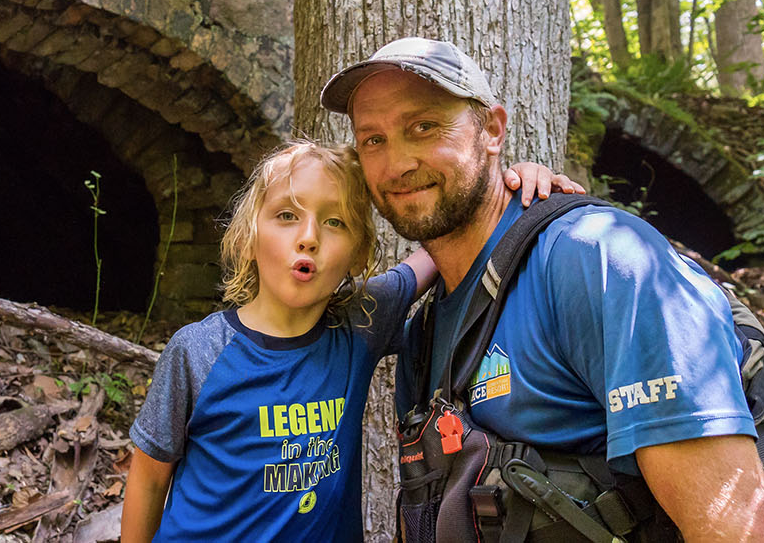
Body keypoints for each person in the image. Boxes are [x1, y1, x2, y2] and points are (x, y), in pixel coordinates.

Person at [319, 36, 764, 541]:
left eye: (424, 127)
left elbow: (741, 528)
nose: (397, 164)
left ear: (492, 130)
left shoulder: (598, 261)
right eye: (373, 139)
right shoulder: (422, 336)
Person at [120, 140, 579, 542]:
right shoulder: (198, 351)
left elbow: (444, 249)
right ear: (249, 235)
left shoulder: (360, 324)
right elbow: (149, 478)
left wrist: (515, 190)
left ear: (360, 253)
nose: (308, 238)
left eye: (334, 222)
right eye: (286, 216)